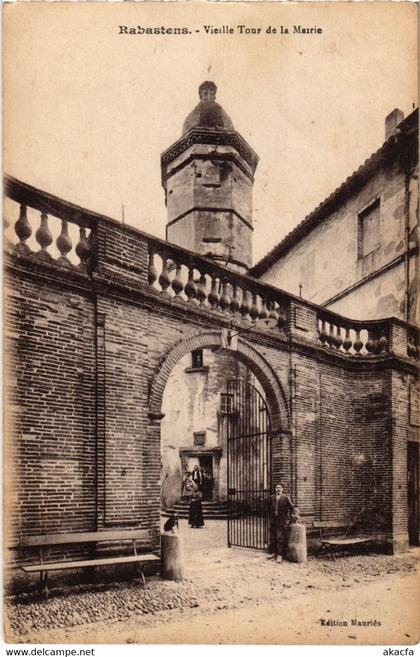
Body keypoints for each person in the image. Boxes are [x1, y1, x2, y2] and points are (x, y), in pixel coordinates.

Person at [268, 483, 295, 562]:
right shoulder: (271, 497)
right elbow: (268, 508)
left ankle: (280, 555)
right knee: (273, 537)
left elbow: (292, 508)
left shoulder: (286, 498)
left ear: (282, 489)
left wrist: (289, 518)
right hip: (273, 520)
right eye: (277, 487)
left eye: (280, 487)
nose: (278, 489)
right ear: (275, 489)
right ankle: (274, 553)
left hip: (281, 521)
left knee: (280, 538)